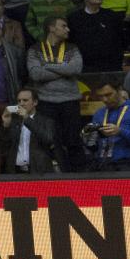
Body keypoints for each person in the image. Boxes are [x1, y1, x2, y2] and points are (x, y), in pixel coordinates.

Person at [27, 17, 85, 171]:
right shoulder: (35, 49)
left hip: (70, 101)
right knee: (50, 141)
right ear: (52, 28)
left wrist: (47, 66)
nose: (68, 29)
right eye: (64, 26)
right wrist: (63, 69)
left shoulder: (72, 48)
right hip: (46, 102)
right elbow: (35, 74)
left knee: (73, 140)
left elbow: (75, 69)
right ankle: (55, 176)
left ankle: (80, 177)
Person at [86, 83, 130, 172]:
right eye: (100, 96)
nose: (105, 99)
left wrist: (121, 132)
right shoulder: (99, 114)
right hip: (103, 165)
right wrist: (89, 138)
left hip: (129, 165)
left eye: (108, 95)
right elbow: (93, 144)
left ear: (119, 90)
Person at [0, 87, 60, 174]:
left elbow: (48, 139)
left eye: (25, 100)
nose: (21, 103)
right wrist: (6, 126)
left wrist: (27, 119)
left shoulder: (46, 121)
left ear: (35, 102)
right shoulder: (14, 122)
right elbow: (4, 147)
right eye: (19, 101)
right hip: (15, 171)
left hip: (38, 171)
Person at [68, 0, 126, 76]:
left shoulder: (111, 16)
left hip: (110, 66)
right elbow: (70, 41)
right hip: (84, 67)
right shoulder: (74, 18)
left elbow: (121, 39)